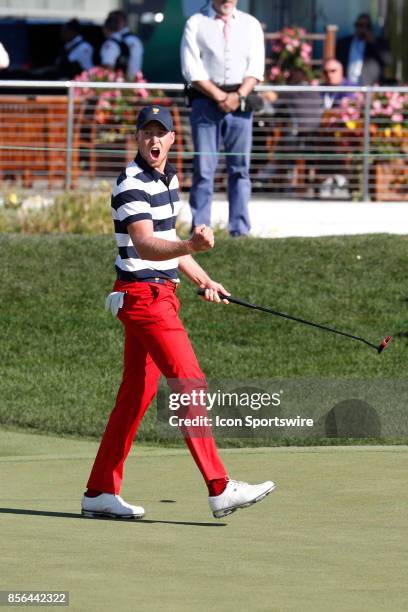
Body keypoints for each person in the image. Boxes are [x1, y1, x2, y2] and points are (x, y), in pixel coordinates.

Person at [81, 105, 275, 520]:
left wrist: (204, 278)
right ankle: (219, 487)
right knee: (190, 381)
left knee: (136, 396)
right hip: (144, 298)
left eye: (161, 133)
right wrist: (191, 246)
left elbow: (166, 238)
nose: (153, 140)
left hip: (157, 294)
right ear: (136, 138)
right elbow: (146, 245)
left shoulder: (167, 178)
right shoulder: (131, 183)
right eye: (146, 133)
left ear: (172, 140)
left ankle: (99, 490)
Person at [180, 0, 265, 237]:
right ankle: (200, 229)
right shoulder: (196, 23)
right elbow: (191, 69)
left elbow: (256, 67)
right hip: (206, 102)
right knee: (204, 170)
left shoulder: (251, 24)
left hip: (241, 103)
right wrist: (220, 97)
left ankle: (239, 229)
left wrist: (237, 96)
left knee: (240, 169)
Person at [336, 13, 392, 85]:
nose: (362, 29)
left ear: (370, 27)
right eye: (359, 25)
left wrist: (373, 43)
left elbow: (388, 61)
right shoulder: (344, 43)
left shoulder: (379, 43)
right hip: (347, 86)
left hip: (369, 87)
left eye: (366, 26)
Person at [100, 10, 143, 79]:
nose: (113, 22)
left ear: (121, 21)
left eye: (114, 19)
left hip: (124, 81)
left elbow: (107, 67)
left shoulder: (129, 40)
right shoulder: (124, 39)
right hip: (125, 81)